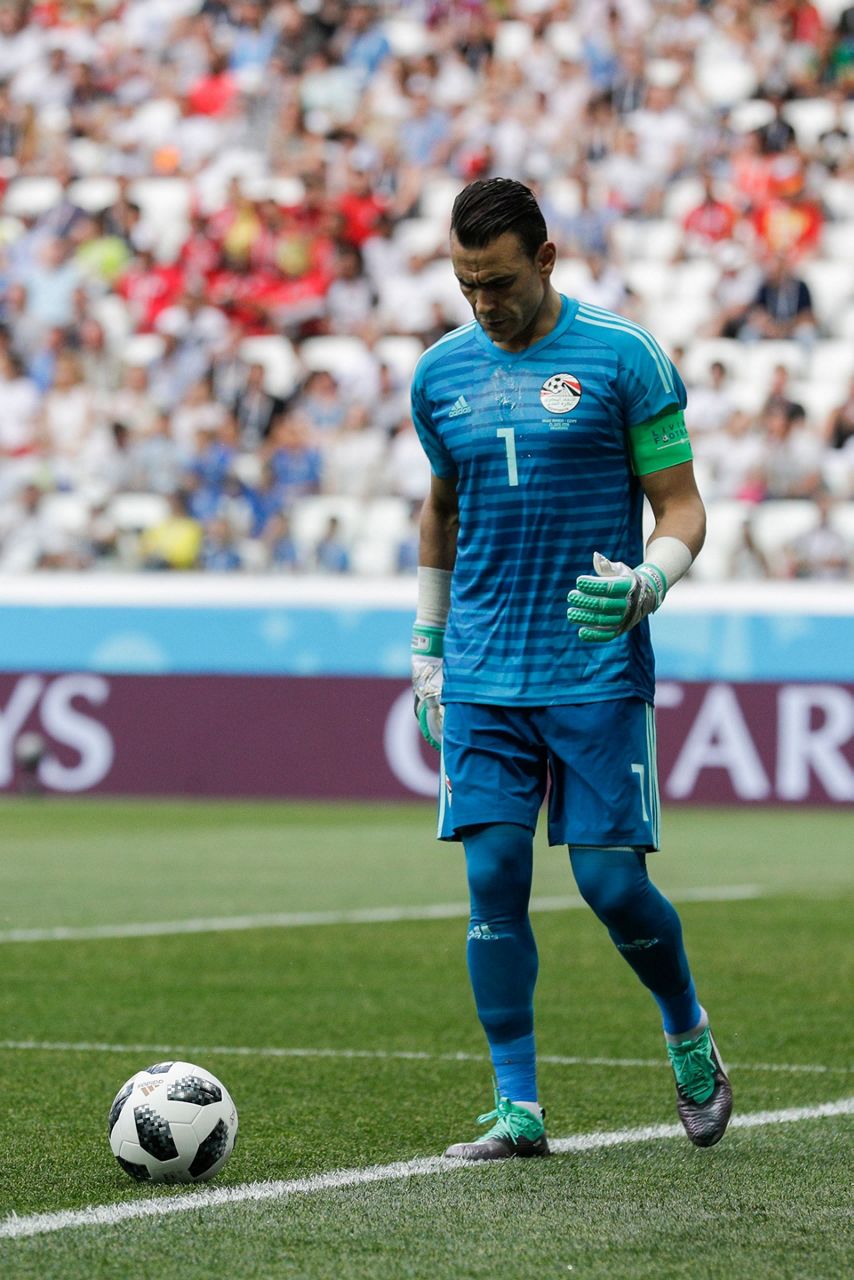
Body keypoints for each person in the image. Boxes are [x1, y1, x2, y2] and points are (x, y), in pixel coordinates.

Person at [409, 178, 732, 1162]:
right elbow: (441, 509)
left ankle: (685, 1027)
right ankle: (518, 1108)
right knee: (492, 873)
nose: (483, 304)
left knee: (609, 884)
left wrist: (647, 580)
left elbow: (681, 506)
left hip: (590, 664)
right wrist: (426, 645)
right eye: (466, 286)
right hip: (479, 667)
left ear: (544, 261)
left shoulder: (622, 358)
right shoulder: (438, 374)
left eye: (498, 282)